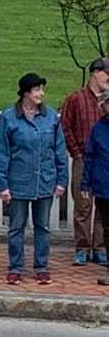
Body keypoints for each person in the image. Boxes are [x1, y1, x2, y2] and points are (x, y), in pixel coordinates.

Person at [0, 73, 68, 285]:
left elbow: (59, 151)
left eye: (42, 89)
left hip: (45, 180)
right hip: (18, 182)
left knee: (42, 226)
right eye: (37, 90)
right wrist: (2, 184)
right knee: (16, 227)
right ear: (26, 92)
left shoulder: (51, 116)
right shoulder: (8, 117)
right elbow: (1, 153)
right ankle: (15, 267)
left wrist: (61, 180)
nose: (41, 94)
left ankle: (41, 267)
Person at [61, 57, 109, 266]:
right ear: (95, 73)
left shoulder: (108, 101)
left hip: (104, 160)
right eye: (107, 73)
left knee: (104, 206)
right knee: (83, 204)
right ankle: (81, 247)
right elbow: (65, 127)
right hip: (83, 157)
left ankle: (100, 247)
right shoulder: (75, 99)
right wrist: (77, 153)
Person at [81, 88, 109, 285]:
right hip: (103, 185)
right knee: (107, 229)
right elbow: (89, 157)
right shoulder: (98, 129)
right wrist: (86, 182)